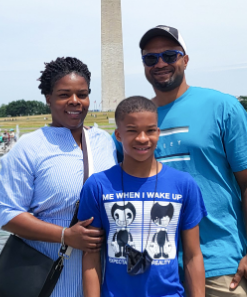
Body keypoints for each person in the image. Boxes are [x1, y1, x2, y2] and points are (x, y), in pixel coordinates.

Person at [113, 26, 247, 297]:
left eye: (169, 55)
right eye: (151, 58)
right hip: (155, 267)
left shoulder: (223, 107)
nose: (160, 63)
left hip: (220, 262)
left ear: (185, 59)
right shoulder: (132, 122)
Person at [0, 57, 117, 297]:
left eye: (82, 94)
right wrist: (65, 235)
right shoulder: (29, 147)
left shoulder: (104, 141)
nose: (75, 101)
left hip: (105, 283)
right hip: (52, 282)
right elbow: (7, 214)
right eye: (64, 94)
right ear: (48, 98)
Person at [80, 96, 207, 297]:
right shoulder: (97, 185)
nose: (142, 138)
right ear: (118, 135)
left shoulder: (184, 184)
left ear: (158, 133)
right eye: (132, 130)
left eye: (150, 130)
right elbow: (91, 256)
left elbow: (192, 255)